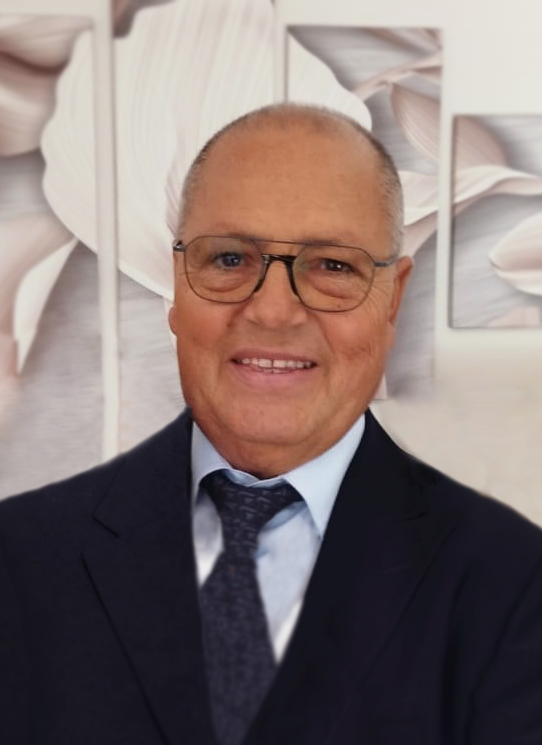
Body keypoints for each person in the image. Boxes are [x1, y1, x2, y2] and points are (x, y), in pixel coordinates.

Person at [1, 104, 541, 745]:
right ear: (177, 285)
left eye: (332, 266)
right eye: (230, 259)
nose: (274, 311)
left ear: (392, 298)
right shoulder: (18, 562)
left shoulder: (514, 584)